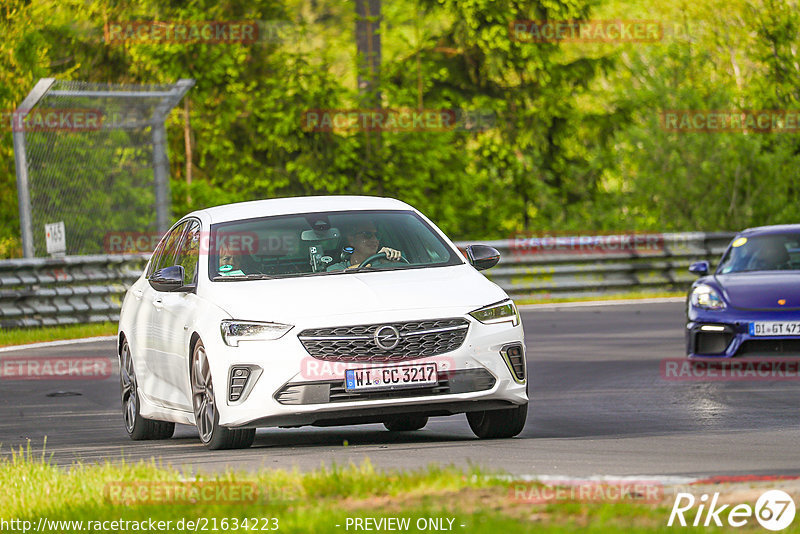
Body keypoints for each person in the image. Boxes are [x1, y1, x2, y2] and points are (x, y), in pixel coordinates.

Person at [326, 221, 403, 271]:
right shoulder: (337, 267)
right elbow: (336, 276)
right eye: (367, 234)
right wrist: (373, 265)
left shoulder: (385, 262)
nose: (375, 239)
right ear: (351, 240)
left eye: (377, 235)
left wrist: (393, 262)